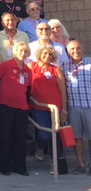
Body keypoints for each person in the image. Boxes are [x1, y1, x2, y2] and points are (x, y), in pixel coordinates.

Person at [0, 41, 32, 176]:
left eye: (25, 51)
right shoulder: (5, 66)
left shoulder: (28, 71)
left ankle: (19, 166)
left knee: (20, 137)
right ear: (15, 51)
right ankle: (4, 165)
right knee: (5, 135)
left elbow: (28, 91)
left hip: (21, 107)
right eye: (21, 51)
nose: (23, 53)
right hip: (4, 106)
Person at [29, 45, 68, 172]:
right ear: (40, 54)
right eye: (45, 53)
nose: (47, 56)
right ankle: (40, 147)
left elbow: (63, 91)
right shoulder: (32, 67)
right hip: (38, 106)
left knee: (54, 135)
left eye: (50, 54)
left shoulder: (56, 70)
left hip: (55, 108)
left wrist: (64, 110)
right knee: (45, 134)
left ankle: (54, 163)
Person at [62, 40, 91, 175]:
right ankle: (80, 164)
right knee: (76, 137)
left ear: (82, 50)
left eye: (78, 48)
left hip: (89, 106)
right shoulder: (63, 66)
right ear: (68, 52)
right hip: (73, 107)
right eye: (72, 49)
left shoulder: (89, 64)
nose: (75, 51)